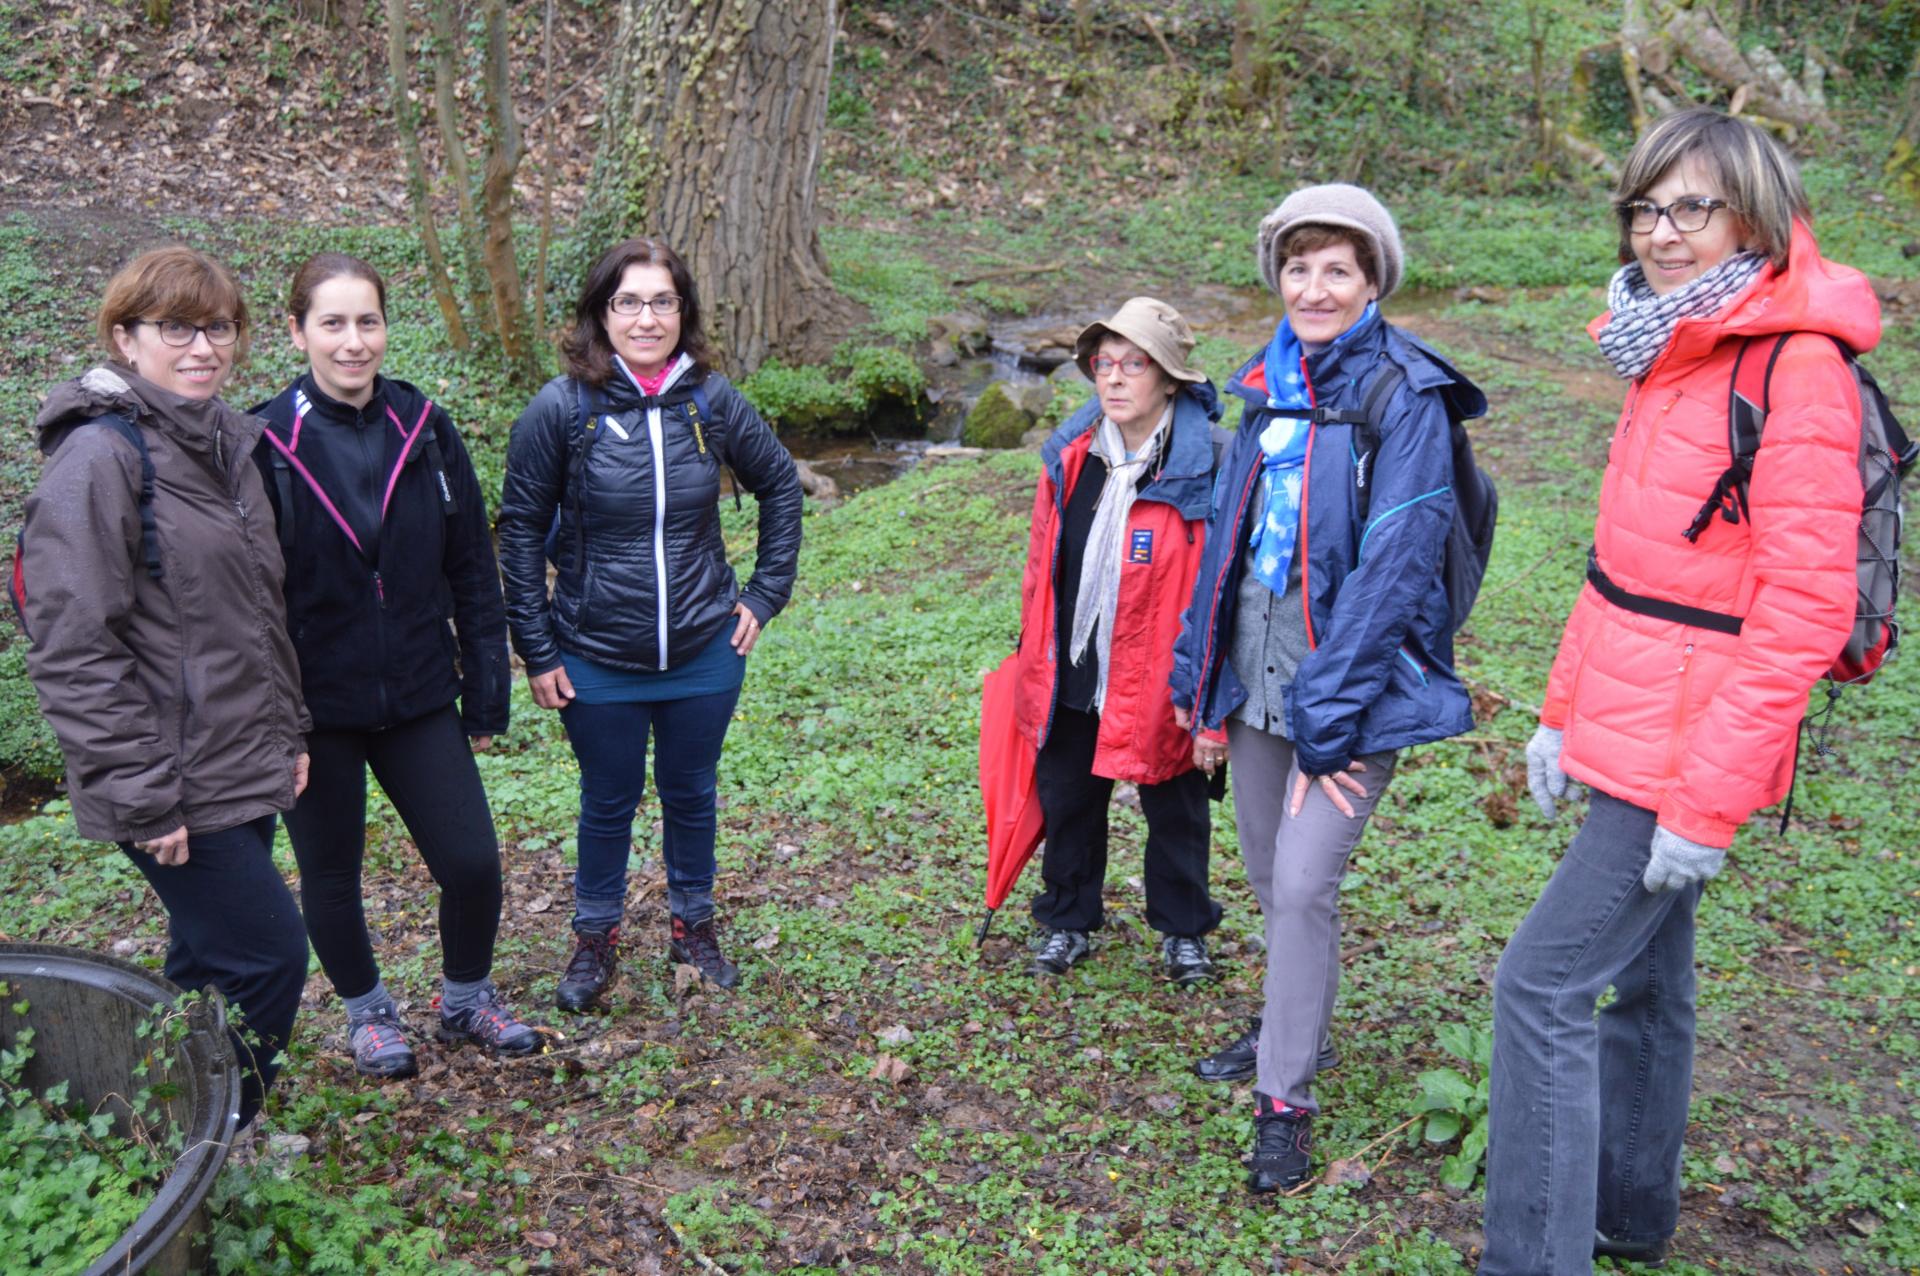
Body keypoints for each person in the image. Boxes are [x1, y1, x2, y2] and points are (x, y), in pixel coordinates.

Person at [1481, 109, 1877, 1275]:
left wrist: (1708, 801)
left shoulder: (1796, 369)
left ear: (1753, 214)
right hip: (1632, 704)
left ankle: (1531, 1258)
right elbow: (1626, 567)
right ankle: (1626, 1217)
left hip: (1689, 743)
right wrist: (1560, 706)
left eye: (1691, 207)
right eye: (1646, 206)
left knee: (1540, 986)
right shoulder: (1677, 348)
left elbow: (1801, 610)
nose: (1661, 232)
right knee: (1647, 980)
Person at [1169, 185, 1486, 1191]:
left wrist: (1333, 710)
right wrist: (1201, 680)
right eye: (1297, 267)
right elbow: (1222, 546)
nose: (1314, 286)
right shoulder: (1265, 385)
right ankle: (1287, 1017)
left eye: (1337, 268)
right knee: (1271, 881)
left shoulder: (1406, 394)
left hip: (1349, 682)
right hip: (1257, 667)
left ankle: (1285, 1100)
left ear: (1373, 280)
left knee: (1306, 884)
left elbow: (1399, 566)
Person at [17, 246, 312, 1129]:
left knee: (206, 958)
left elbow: (256, 614)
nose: (201, 347)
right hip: (166, 775)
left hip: (234, 757)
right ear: (124, 337)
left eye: (217, 327)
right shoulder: (100, 460)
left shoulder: (228, 446)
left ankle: (158, 1120)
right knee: (269, 957)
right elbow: (71, 642)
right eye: (175, 327)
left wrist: (288, 734)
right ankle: (220, 1139)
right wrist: (142, 795)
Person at [253, 252, 540, 1077]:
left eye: (367, 321)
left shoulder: (426, 426)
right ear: (298, 331)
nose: (353, 341)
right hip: (319, 708)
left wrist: (487, 692)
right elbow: (249, 601)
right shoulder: (265, 441)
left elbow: (471, 569)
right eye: (333, 323)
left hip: (417, 692)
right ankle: (368, 1012)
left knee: (473, 863)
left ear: (385, 326)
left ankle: (466, 998)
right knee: (331, 874)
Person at [497, 237, 803, 1008]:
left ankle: (691, 929)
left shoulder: (712, 400)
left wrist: (764, 595)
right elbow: (520, 530)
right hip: (594, 651)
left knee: (691, 790)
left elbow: (781, 489)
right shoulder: (561, 408)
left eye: (662, 301)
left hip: (704, 646)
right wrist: (536, 650)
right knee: (608, 796)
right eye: (628, 302)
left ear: (683, 311)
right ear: (602, 313)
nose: (645, 317)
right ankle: (594, 939)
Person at [1009, 297, 1226, 983]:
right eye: (1105, 364)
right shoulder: (1072, 458)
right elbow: (1046, 568)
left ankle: (1185, 930)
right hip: (1077, 662)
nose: (1115, 379)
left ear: (1169, 378)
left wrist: (1207, 688)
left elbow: (1223, 586)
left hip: (1165, 670)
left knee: (1177, 805)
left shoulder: (1211, 463)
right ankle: (1068, 920)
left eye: (1135, 364)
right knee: (1069, 796)